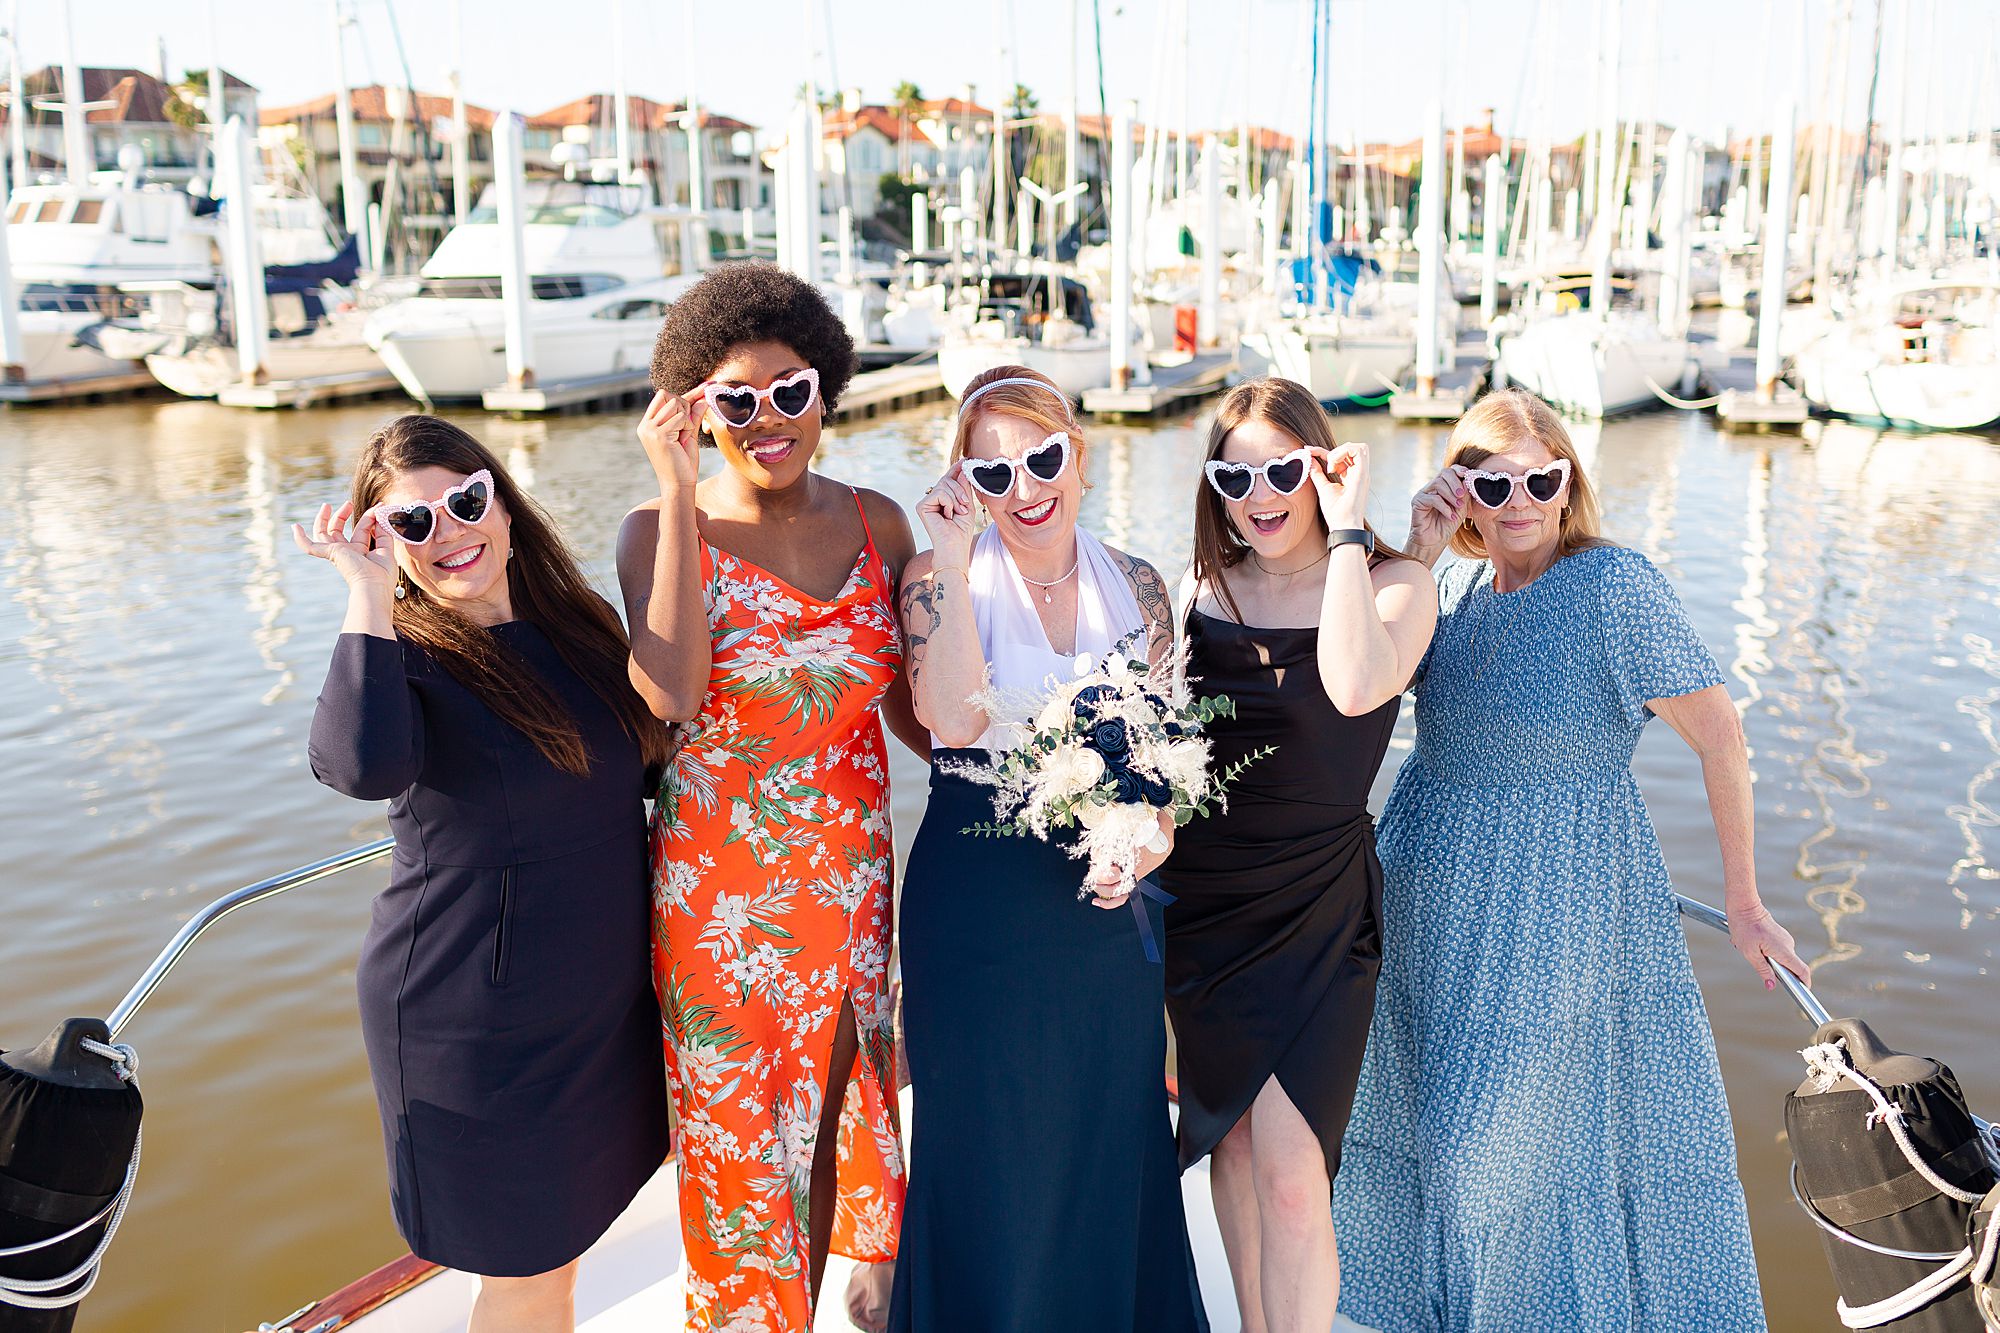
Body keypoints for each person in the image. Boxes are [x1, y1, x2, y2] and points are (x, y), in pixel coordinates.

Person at [1330, 388, 1810, 1332]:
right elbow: (1364, 681)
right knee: (1419, 1132)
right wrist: (1419, 548)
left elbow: (1721, 738)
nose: (1517, 501)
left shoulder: (1615, 588)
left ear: (1568, 483)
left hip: (1559, 906)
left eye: (1538, 479)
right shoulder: (1449, 591)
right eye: (1490, 481)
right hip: (1433, 908)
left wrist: (1745, 903)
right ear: (1459, 487)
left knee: (1490, 1159)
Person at [296, 415, 672, 1333]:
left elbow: (653, 756)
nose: (450, 532)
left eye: (464, 502)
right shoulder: (404, 657)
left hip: (600, 1003)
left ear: (501, 501)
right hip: (479, 1018)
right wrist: (367, 593)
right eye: (412, 524)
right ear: (383, 538)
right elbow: (359, 767)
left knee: (565, 1249)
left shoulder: (577, 626)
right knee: (527, 1271)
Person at [618, 263, 924, 1332]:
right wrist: (672, 488)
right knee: (737, 1138)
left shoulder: (881, 526)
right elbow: (671, 696)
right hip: (720, 905)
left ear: (826, 390)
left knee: (851, 1097)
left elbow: (923, 721)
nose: (766, 419)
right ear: (695, 407)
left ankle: (870, 1286)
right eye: (733, 399)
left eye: (789, 389)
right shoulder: (658, 531)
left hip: (847, 889)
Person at [887, 366, 1206, 1333]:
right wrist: (947, 543)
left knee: (1107, 1136)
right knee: (984, 1141)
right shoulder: (936, 579)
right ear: (963, 484)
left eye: (1042, 459)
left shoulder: (1139, 583)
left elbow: (1174, 770)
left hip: (1105, 904)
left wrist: (1141, 851)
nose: (1023, 488)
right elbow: (946, 716)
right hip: (976, 894)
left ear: (1079, 456)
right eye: (992, 474)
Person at [1161, 377, 1436, 1333]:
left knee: (1290, 1171)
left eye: (1282, 469)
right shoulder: (1204, 584)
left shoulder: (1397, 582)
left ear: (1320, 464)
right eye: (1232, 476)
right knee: (1230, 1149)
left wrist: (1352, 534)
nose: (1258, 494)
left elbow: (1358, 685)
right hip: (1205, 903)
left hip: (1319, 908)